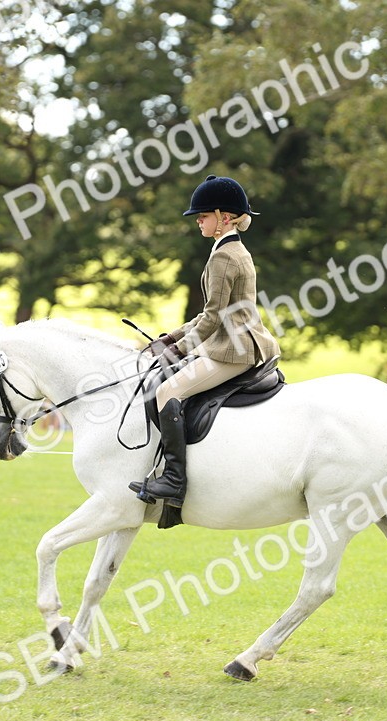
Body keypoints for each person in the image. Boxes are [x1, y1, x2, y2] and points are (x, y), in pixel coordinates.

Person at [128, 174, 280, 521]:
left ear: (224, 217)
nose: (198, 221)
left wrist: (180, 350)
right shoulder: (231, 249)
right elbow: (208, 314)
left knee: (167, 391)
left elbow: (212, 318)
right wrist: (171, 337)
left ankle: (173, 479)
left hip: (234, 349)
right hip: (238, 341)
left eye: (203, 216)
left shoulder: (224, 256)